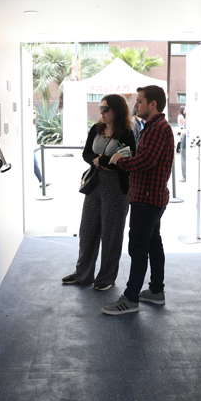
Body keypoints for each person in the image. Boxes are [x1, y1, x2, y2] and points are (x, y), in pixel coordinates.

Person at [102, 85, 175, 315]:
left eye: (140, 101)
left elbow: (146, 161)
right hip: (150, 197)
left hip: (147, 199)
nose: (135, 105)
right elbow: (146, 159)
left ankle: (131, 299)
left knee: (138, 248)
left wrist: (119, 161)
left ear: (153, 104)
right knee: (153, 244)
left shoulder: (157, 129)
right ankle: (155, 291)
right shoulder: (153, 127)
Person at [62, 94, 136, 291]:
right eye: (100, 108)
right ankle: (83, 274)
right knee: (87, 230)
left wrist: (104, 161)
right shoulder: (96, 128)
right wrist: (97, 160)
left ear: (117, 111)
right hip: (94, 184)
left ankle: (106, 277)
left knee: (111, 234)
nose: (101, 112)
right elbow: (87, 152)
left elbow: (129, 159)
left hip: (116, 187)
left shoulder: (127, 132)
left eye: (106, 109)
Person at [177, 106, 186, 182]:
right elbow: (184, 123)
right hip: (183, 137)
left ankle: (185, 175)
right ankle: (185, 175)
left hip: (183, 137)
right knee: (183, 158)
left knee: (184, 158)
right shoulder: (180, 116)